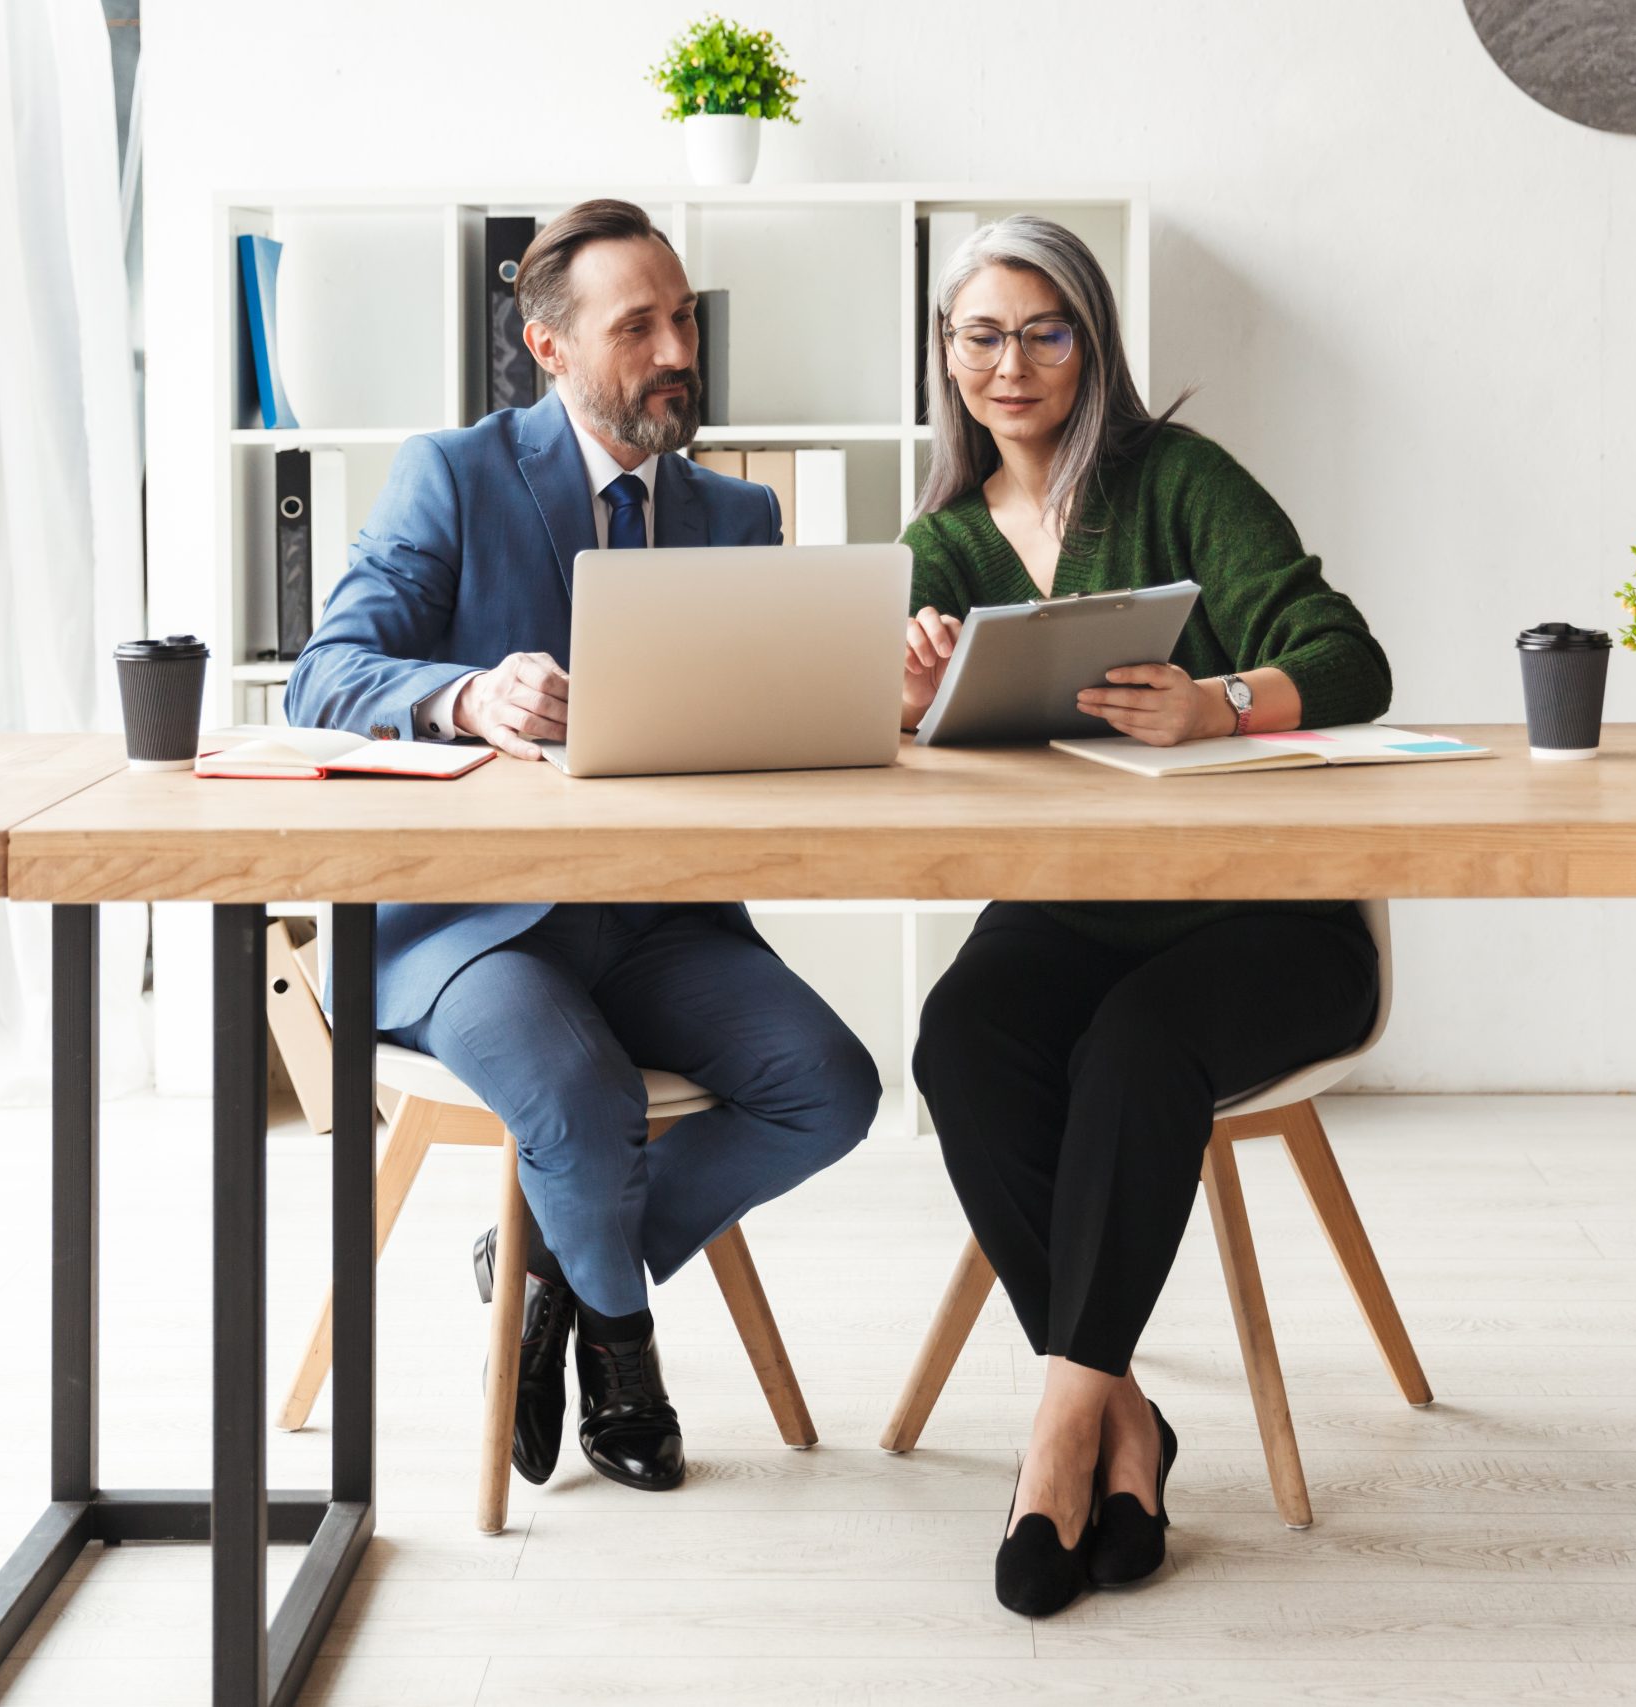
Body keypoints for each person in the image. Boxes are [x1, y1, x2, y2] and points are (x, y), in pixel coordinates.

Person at [285, 199, 880, 1493]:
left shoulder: (735, 517)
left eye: (684, 320)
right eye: (639, 327)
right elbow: (322, 677)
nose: (676, 349)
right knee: (583, 1099)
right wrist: (465, 698)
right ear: (549, 350)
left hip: (660, 921)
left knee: (835, 1087)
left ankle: (552, 1258)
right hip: (467, 924)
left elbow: (748, 728)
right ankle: (624, 1348)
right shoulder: (451, 472)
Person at [899, 215, 1387, 1614]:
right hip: (1067, 911)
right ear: (947, 355)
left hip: (1269, 920)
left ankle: (1060, 1432)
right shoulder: (940, 540)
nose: (1012, 362)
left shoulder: (1179, 479)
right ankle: (1126, 1415)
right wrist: (903, 681)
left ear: (1093, 342)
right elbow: (900, 725)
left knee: (1134, 1047)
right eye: (981, 334)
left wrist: (1220, 704)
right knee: (961, 1037)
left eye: (1045, 330)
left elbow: (1348, 660)